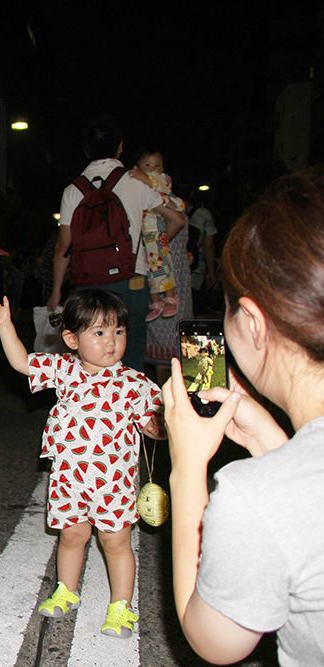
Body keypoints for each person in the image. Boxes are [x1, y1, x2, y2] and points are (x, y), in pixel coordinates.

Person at [163, 169, 324, 666]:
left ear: (252, 323)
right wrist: (276, 446)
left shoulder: (257, 496)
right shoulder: (287, 485)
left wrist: (188, 470)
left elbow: (213, 640)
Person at [0, 289, 163, 639]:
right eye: (99, 333)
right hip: (70, 480)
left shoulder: (136, 385)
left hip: (114, 483)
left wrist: (170, 420)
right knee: (72, 535)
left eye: (118, 332)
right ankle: (66, 589)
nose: (111, 342)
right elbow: (22, 363)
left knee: (115, 542)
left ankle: (121, 607)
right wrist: (5, 325)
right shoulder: (63, 370)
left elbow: (156, 430)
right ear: (71, 339)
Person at [47, 116, 187, 371]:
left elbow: (64, 246)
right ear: (121, 147)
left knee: (90, 353)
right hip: (131, 278)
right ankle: (131, 407)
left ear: (86, 150)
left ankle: (95, 408)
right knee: (130, 350)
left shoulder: (72, 190)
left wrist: (57, 289)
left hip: (87, 282)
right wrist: (157, 246)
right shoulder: (136, 181)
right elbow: (176, 219)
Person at [130, 149, 185, 322]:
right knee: (148, 269)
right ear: (138, 166)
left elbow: (157, 184)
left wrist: (141, 175)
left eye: (157, 165)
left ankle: (171, 296)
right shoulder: (138, 183)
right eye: (147, 165)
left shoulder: (163, 180)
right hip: (142, 232)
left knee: (163, 266)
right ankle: (155, 302)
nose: (152, 168)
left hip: (156, 229)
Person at [185, 191, 217, 316]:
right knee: (197, 309)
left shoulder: (170, 211)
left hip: (175, 269)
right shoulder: (203, 214)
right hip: (197, 269)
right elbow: (208, 245)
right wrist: (211, 271)